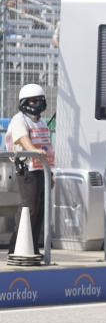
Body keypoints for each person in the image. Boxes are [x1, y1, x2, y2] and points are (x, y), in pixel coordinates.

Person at [5, 83, 54, 255]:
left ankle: (32, 247)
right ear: (25, 102)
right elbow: (23, 139)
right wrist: (33, 150)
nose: (38, 104)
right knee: (29, 207)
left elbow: (47, 148)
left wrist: (51, 173)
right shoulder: (19, 119)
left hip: (42, 170)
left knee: (39, 209)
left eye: (40, 100)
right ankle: (16, 248)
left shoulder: (41, 122)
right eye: (33, 101)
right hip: (27, 170)